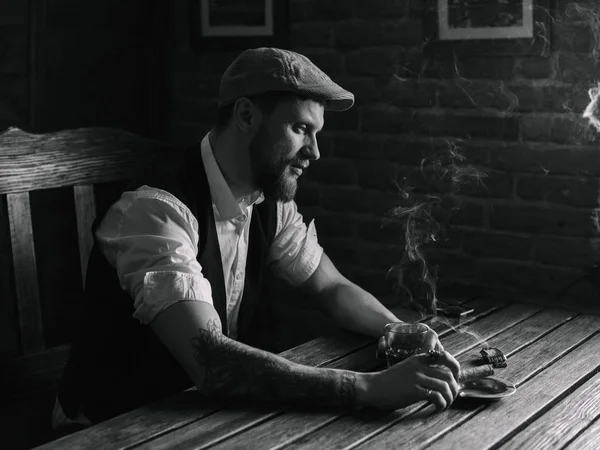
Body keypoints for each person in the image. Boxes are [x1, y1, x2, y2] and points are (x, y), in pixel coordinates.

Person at [53, 47, 461, 427]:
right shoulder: (156, 210)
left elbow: (331, 287)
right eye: (301, 128)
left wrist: (402, 333)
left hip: (204, 413)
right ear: (246, 116)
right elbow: (210, 360)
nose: (315, 151)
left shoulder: (267, 201)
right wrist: (367, 388)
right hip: (118, 424)